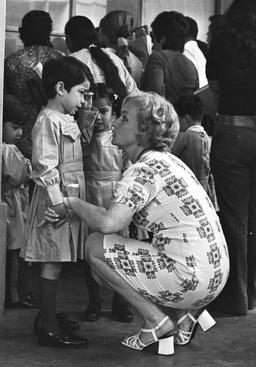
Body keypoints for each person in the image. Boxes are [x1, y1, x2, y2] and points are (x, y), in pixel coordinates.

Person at [44, 92, 229, 353]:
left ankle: (156, 322)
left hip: (191, 278)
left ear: (144, 131)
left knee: (95, 246)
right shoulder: (168, 161)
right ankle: (185, 318)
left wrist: (72, 203)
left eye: (124, 118)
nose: (115, 123)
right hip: (215, 277)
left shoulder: (143, 169)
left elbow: (108, 223)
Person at [206, 0, 256, 315]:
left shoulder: (222, 41)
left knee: (235, 218)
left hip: (232, 132)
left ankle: (235, 296)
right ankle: (253, 291)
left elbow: (214, 85)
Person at [21, 57, 91, 348]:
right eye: (81, 93)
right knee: (51, 264)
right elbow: (45, 167)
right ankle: (48, 328)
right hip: (55, 205)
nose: (85, 101)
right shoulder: (47, 121)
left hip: (68, 201)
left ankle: (46, 317)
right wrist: (58, 202)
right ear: (61, 88)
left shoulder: (66, 119)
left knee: (58, 262)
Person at [80, 83, 132, 323]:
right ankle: (93, 302)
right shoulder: (83, 138)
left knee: (119, 252)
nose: (99, 117)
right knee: (90, 251)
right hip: (90, 196)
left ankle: (120, 303)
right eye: (94, 111)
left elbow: (128, 170)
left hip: (115, 198)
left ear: (114, 112)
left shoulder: (119, 138)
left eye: (105, 111)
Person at [4, 10, 64, 158]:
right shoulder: (60, 60)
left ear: (23, 32)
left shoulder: (12, 62)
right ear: (48, 32)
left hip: (20, 133)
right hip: (54, 130)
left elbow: (5, 100)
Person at [2, 95, 34, 309]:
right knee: (14, 253)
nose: (20, 133)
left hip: (10, 203)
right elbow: (21, 175)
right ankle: (15, 296)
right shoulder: (8, 150)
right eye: (15, 127)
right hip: (12, 206)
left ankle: (16, 294)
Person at [65, 16, 137, 101]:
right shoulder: (114, 58)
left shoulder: (71, 61)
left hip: (85, 113)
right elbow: (134, 95)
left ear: (68, 39)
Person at [143, 11, 199, 105]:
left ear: (162, 39)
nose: (152, 45)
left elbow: (154, 95)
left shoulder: (157, 58)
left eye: (153, 37)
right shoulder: (191, 64)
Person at [171, 95, 217, 208]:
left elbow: (167, 155)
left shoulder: (185, 137)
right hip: (206, 189)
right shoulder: (207, 137)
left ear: (186, 118)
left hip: (189, 189)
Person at [98, 10, 144, 90]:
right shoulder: (137, 61)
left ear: (108, 33)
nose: (98, 33)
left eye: (100, 30)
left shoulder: (99, 56)